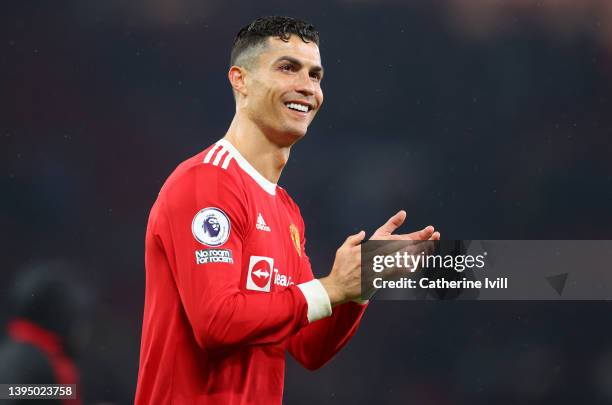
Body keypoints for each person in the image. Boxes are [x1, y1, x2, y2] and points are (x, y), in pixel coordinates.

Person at [135, 16, 440, 404]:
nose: (306, 87)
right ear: (239, 80)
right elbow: (216, 322)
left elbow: (308, 347)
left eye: (315, 75)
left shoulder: (286, 211)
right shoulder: (206, 183)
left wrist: (359, 287)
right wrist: (331, 286)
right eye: (287, 68)